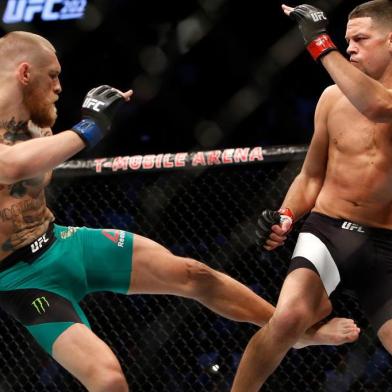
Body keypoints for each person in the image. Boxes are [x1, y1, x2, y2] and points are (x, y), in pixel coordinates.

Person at [0, 31, 359, 392]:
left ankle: (293, 334)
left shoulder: (37, 121)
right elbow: (9, 166)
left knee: (194, 273)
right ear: (25, 72)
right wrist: (90, 126)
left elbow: (38, 168)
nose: (60, 86)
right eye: (53, 75)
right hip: (21, 279)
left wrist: (77, 123)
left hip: (59, 242)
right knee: (106, 377)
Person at [231, 1, 392, 391]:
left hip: (387, 245)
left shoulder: (379, 99)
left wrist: (321, 43)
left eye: (360, 39)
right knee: (287, 318)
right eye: (346, 39)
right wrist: (286, 216)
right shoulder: (331, 99)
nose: (349, 47)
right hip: (329, 229)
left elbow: (379, 105)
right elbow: (311, 175)